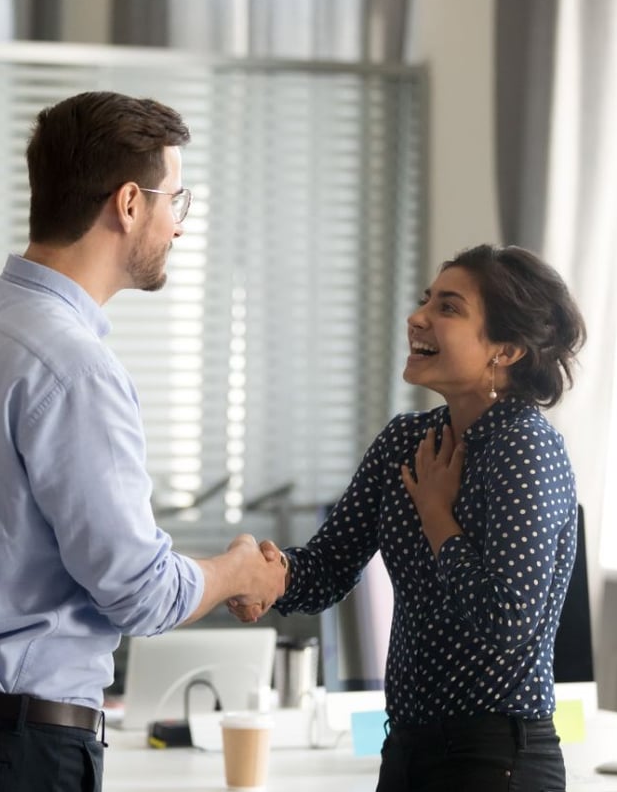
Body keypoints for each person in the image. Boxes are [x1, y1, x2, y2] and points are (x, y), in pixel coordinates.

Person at [0, 90, 286, 792]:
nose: (178, 226)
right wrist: (238, 570)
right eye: (175, 200)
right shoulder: (77, 368)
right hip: (23, 747)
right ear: (127, 203)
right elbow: (139, 593)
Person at [231, 244, 586, 791]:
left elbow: (507, 619)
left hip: (496, 759)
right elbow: (326, 568)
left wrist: (438, 519)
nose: (416, 318)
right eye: (426, 301)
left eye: (448, 308)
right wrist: (263, 575)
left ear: (506, 349)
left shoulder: (526, 447)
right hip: (405, 751)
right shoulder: (406, 439)